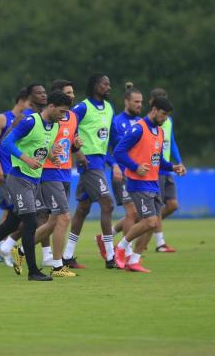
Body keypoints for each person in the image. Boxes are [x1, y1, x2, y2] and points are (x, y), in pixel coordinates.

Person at [0, 90, 70, 281]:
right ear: (51, 106)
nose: (63, 116)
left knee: (12, 224)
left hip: (33, 180)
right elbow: (7, 142)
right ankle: (33, 271)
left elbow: (41, 148)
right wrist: (25, 159)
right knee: (30, 222)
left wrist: (51, 156)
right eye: (62, 111)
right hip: (18, 178)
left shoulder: (54, 125)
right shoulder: (31, 121)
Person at [113, 97, 186, 273]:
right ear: (153, 110)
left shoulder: (160, 132)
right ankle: (121, 247)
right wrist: (135, 167)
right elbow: (118, 152)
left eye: (168, 116)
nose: (165, 118)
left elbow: (158, 160)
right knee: (150, 221)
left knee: (153, 224)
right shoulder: (139, 128)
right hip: (138, 183)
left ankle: (134, 260)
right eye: (163, 114)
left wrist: (173, 167)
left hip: (154, 183)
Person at [65, 73, 117, 269]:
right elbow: (69, 128)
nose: (109, 87)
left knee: (83, 208)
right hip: (88, 161)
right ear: (95, 85)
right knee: (108, 203)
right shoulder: (82, 107)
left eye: (109, 84)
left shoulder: (110, 108)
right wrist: (78, 153)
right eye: (105, 84)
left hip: (100, 160)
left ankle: (67, 255)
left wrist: (116, 162)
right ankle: (111, 256)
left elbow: (113, 138)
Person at [30, 79, 82, 277]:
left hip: (65, 172)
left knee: (53, 223)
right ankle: (58, 265)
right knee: (64, 217)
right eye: (68, 93)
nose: (72, 96)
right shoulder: (49, 118)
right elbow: (40, 141)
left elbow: (70, 145)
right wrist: (50, 151)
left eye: (72, 92)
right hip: (49, 172)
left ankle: (22, 250)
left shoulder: (73, 117)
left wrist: (76, 144)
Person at [96, 82, 143, 267]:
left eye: (141, 102)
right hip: (121, 174)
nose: (139, 105)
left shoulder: (141, 123)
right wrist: (114, 165)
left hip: (137, 174)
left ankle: (105, 237)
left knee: (138, 215)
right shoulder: (115, 122)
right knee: (132, 213)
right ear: (126, 102)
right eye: (136, 102)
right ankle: (126, 252)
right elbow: (105, 149)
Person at [0, 88, 29, 264]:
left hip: (20, 172)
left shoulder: (28, 120)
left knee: (11, 211)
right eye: (30, 103)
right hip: (5, 172)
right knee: (13, 211)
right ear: (22, 101)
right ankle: (0, 247)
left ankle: (0, 246)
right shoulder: (3, 118)